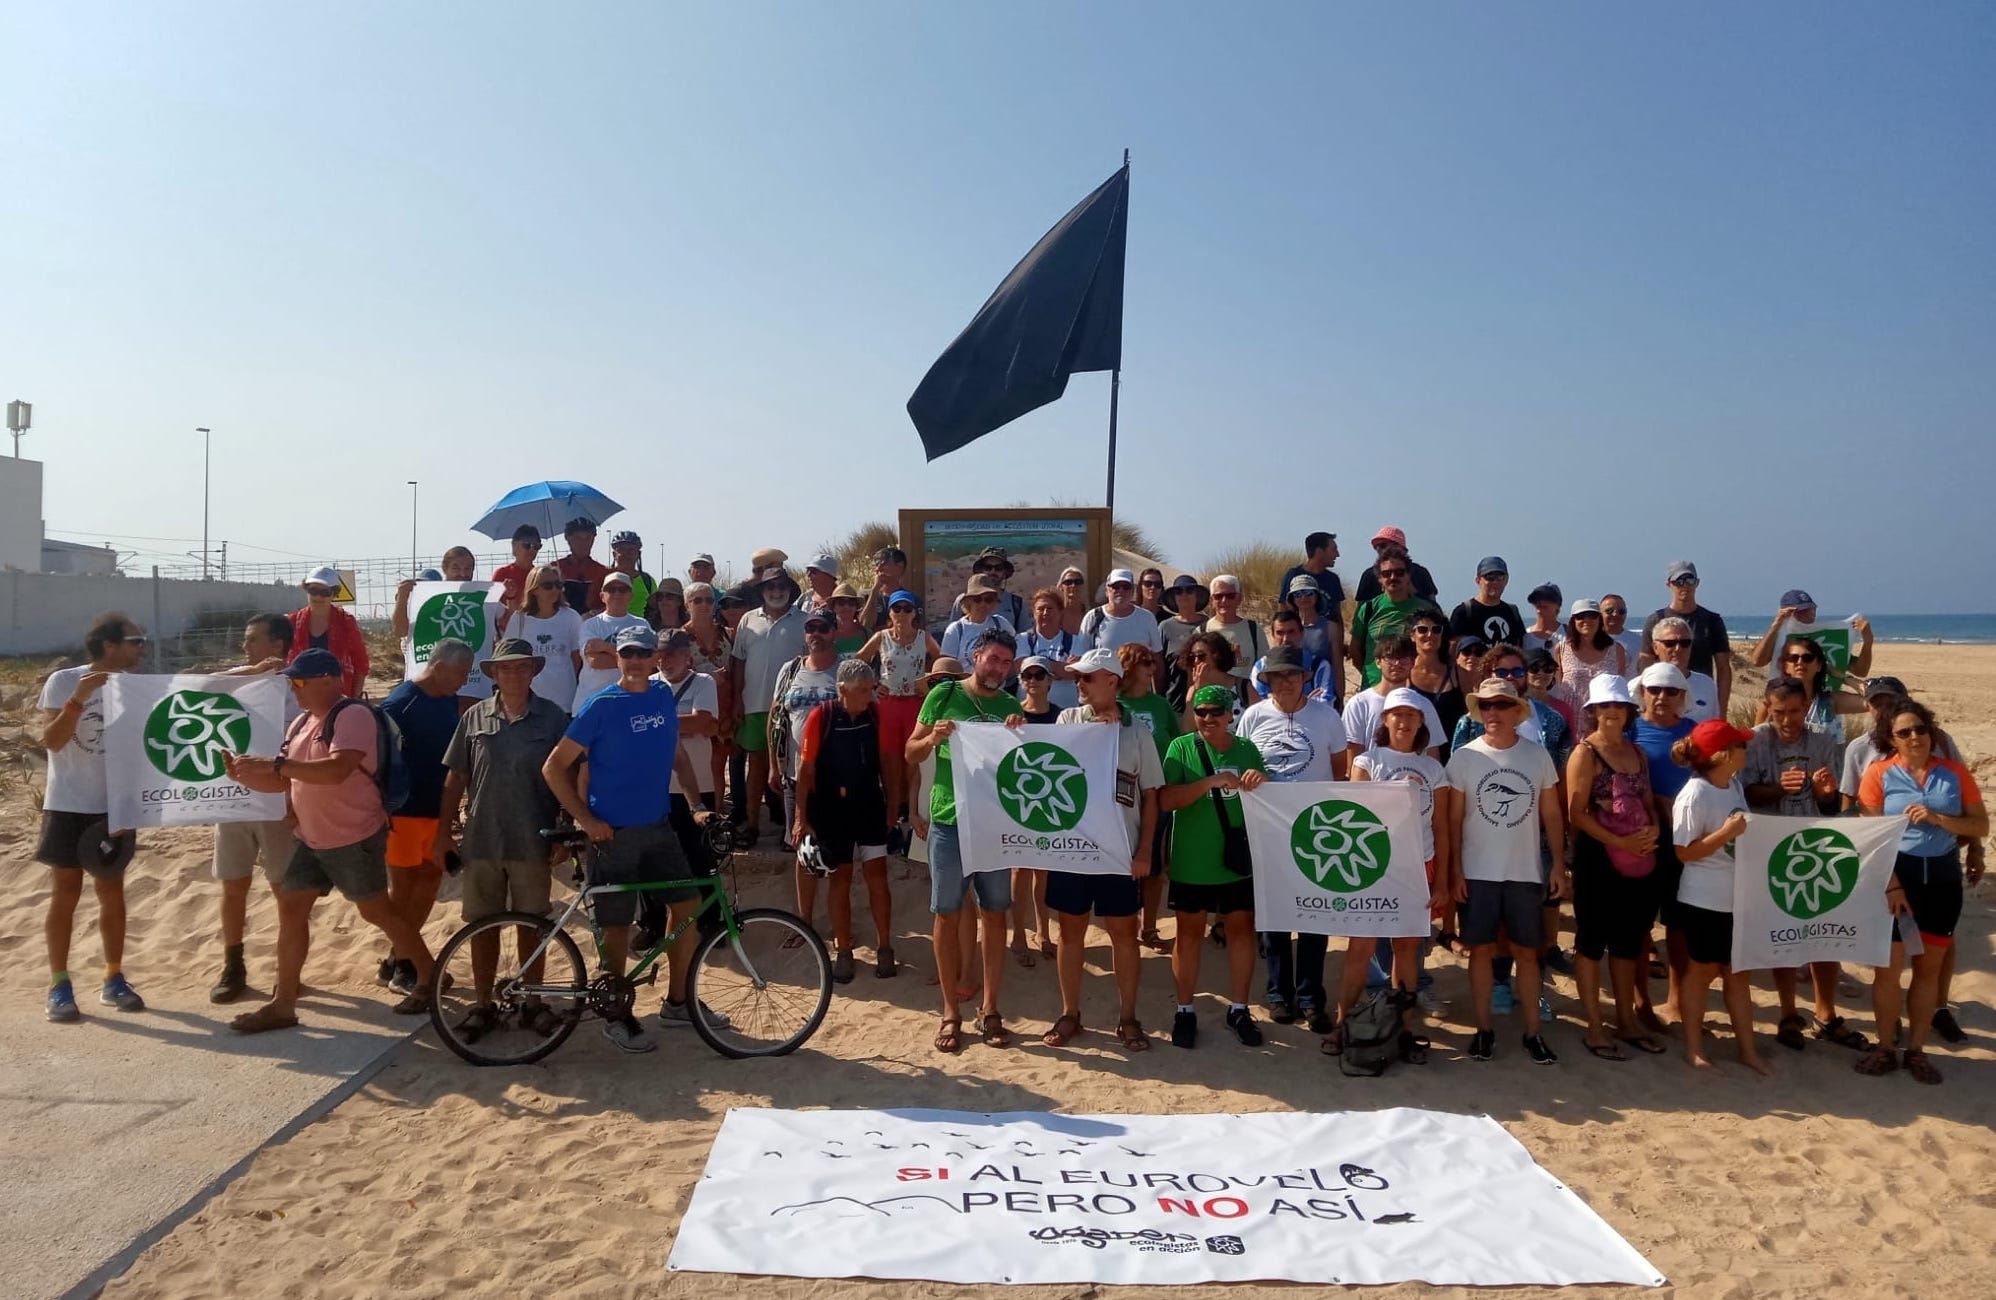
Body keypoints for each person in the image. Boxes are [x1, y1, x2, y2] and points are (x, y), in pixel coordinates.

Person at [221, 649, 439, 1032]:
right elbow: (284, 780)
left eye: (298, 681)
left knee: (377, 912)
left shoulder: (352, 715)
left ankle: (431, 975)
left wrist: (275, 766)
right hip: (312, 838)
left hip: (353, 836)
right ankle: (283, 1004)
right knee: (292, 910)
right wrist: (245, 775)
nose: (293, 689)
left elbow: (337, 770)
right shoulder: (302, 722)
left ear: (328, 679)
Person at [541, 626, 710, 1052]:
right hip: (612, 836)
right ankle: (615, 1014)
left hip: (659, 828)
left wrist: (696, 804)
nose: (635, 661)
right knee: (615, 928)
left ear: (655, 658)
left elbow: (677, 754)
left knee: (687, 906)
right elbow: (553, 767)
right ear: (617, 657)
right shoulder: (601, 706)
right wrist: (585, 819)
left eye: (643, 653)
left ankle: (678, 1002)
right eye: (628, 653)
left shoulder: (662, 696)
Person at [433, 639, 569, 1039]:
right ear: (494, 673)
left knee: (533, 924)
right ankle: (482, 1004)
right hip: (482, 841)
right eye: (506, 668)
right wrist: (442, 832)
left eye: (522, 667)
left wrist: (564, 831)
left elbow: (568, 774)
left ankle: (533, 1002)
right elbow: (456, 776)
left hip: (533, 838)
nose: (514, 674)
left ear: (534, 671)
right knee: (482, 925)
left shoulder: (552, 717)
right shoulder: (474, 716)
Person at [905, 629, 1027, 1052]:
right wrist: (932, 738)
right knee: (946, 913)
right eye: (993, 659)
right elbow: (911, 752)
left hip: (993, 825)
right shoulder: (943, 695)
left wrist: (1020, 733)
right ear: (976, 657)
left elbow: (1020, 767)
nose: (999, 668)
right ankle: (950, 1010)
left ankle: (990, 1008)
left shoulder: (1011, 706)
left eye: (1006, 663)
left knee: (994, 913)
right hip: (948, 820)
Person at [1855, 699, 1987, 1085]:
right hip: (1896, 882)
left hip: (1942, 882)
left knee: (1928, 973)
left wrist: (1939, 819)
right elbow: (1870, 840)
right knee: (1888, 973)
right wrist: (1893, 884)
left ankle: (1916, 1050)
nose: (1915, 737)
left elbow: (1980, 826)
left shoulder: (1954, 774)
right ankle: (1884, 1047)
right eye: (1904, 732)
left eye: (1921, 729)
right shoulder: (1878, 775)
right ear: (1891, 739)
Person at [1042, 649, 1164, 1051]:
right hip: (1073, 848)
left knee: (1124, 934)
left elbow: (1152, 796)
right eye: (1077, 677)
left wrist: (1144, 851)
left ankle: (1128, 1017)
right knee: (1070, 931)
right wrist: (1095, 733)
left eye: (1087, 677)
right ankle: (1069, 1013)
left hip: (1119, 850)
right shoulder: (1067, 719)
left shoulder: (1137, 731)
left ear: (1111, 681)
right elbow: (1055, 764)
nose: (1079, 684)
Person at [1447, 678, 1568, 1064]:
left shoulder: (1537, 756)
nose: (1493, 712)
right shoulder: (1464, 757)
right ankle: (1484, 1031)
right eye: (1486, 706)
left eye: (1501, 704)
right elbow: (1453, 821)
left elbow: (1552, 814)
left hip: (1525, 871)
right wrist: (1455, 871)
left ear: (1517, 712)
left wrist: (1558, 864)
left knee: (1528, 954)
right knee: (1480, 952)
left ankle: (1533, 1033)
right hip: (1477, 871)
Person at [1744, 674, 1867, 1053]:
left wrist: (1826, 793)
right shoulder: (1754, 741)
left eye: (1795, 711)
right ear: (1767, 707)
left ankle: (1825, 1013)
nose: (1787, 720)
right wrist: (1779, 788)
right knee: (1783, 933)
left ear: (1807, 708)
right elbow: (1746, 794)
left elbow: (1834, 805)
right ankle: (1787, 1013)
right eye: (1779, 712)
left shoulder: (1824, 741)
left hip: (1818, 846)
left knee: (1823, 933)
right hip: (1774, 848)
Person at [37, 612, 150, 1022]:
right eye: (136, 641)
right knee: (65, 893)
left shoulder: (134, 686)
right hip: (68, 803)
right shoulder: (64, 680)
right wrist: (80, 698)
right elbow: (52, 741)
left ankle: (113, 978)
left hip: (112, 806)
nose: (143, 648)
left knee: (111, 890)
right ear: (109, 645)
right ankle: (59, 985)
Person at [1239, 645, 1349, 1032]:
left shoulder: (1327, 716)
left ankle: (1310, 997)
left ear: (1304, 677)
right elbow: (1243, 765)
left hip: (1316, 829)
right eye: (1277, 676)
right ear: (1266, 680)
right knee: (1275, 915)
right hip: (1268, 828)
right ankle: (1278, 993)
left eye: (1292, 674)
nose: (1285, 682)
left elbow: (1338, 769)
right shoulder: (1253, 716)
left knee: (1315, 913)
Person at [1161, 684, 1270, 1048]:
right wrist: (1210, 782)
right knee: (1188, 935)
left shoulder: (1247, 749)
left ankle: (1239, 1008)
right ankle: (1184, 1009)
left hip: (1236, 859)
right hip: (1192, 860)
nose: (1207, 718)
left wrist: (1261, 781)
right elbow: (1166, 799)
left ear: (1229, 715)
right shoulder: (1181, 748)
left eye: (1214, 712)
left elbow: (1266, 798)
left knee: (1241, 932)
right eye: (1200, 711)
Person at [1348, 687, 1455, 1058]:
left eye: (1412, 715)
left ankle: (1403, 1029)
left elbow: (1441, 827)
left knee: (1407, 949)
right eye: (1398, 714)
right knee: (1361, 947)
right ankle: (1344, 1024)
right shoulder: (1367, 761)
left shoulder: (1434, 769)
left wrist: (1442, 880)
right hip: (1376, 865)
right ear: (1385, 719)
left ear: (1422, 722)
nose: (1405, 722)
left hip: (1419, 864)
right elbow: (1355, 818)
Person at [1564, 676, 1665, 1059]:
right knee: (1591, 942)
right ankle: (1594, 1027)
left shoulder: (1637, 753)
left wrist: (1653, 828)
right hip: (1597, 858)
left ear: (1628, 710)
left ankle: (1626, 1020)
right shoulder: (1585, 753)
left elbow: (1648, 801)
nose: (1612, 711)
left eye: (1618, 705)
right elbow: (1576, 813)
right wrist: (1620, 842)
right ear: (1593, 710)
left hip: (1638, 857)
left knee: (1628, 941)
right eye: (1605, 705)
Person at [1668, 718, 1772, 1074]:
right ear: (1724, 754)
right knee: (1702, 972)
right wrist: (1725, 834)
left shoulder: (1734, 785)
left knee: (1737, 974)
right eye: (1740, 746)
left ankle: (1748, 1051)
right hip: (1704, 899)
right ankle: (1694, 1048)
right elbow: (1684, 852)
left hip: (1736, 895)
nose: (1746, 750)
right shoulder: (1694, 794)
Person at [208, 614, 300, 1003]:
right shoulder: (238, 679)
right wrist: (254, 671)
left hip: (277, 802)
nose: (244, 646)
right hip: (232, 800)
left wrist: (296, 803)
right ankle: (233, 966)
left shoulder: (296, 686)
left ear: (277, 644)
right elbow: (204, 686)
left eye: (252, 640)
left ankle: (288, 971)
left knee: (285, 891)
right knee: (233, 886)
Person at [791, 658, 897, 982]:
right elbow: (805, 769)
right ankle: (844, 951)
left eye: (870, 688)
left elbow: (888, 762)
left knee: (877, 876)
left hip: (869, 806)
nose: (869, 695)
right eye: (862, 690)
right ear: (842, 689)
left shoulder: (875, 715)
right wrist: (800, 816)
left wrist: (893, 807)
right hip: (832, 810)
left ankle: (885, 948)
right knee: (840, 878)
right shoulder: (821, 716)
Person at [377, 638, 473, 994]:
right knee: (402, 890)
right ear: (439, 667)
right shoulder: (399, 704)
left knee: (430, 882)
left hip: (438, 811)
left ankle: (397, 959)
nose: (464, 680)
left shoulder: (447, 700)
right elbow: (378, 763)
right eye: (461, 673)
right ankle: (406, 966)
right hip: (403, 813)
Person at [1631, 661, 1697, 1029]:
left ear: (1682, 696)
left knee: (1679, 925)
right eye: (1654, 689)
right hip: (1640, 839)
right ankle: (1641, 1000)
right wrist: (1658, 804)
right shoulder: (1629, 731)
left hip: (1684, 842)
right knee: (1640, 924)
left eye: (1671, 690)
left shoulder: (1696, 733)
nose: (1661, 697)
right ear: (1642, 692)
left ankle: (1676, 1001)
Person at [730, 565, 806, 845]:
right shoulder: (748, 619)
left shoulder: (804, 620)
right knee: (757, 767)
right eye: (771, 587)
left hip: (792, 708)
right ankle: (752, 826)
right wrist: (737, 698)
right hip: (754, 705)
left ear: (790, 591)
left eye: (782, 587)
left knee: (791, 770)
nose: (776, 592)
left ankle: (790, 830)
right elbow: (738, 661)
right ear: (762, 591)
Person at [1118, 642, 1181, 953]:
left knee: (1153, 864)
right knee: (1125, 863)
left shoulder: (1160, 705)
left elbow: (1176, 742)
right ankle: (1126, 926)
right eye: (1144, 662)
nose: (1151, 667)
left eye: (1152, 662)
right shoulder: (1114, 704)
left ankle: (1150, 927)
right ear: (1128, 668)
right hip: (1122, 798)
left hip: (1158, 794)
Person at [857, 589, 937, 828]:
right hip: (888, 704)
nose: (902, 613)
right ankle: (892, 817)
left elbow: (943, 661)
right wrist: (873, 684)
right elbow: (858, 661)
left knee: (914, 759)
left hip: (915, 704)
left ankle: (913, 812)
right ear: (890, 613)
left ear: (914, 613)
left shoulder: (924, 637)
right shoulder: (881, 637)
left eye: (907, 608)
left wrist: (930, 681)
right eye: (897, 608)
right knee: (890, 759)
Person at [770, 608, 846, 855]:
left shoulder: (846, 670)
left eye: (822, 628)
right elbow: (775, 718)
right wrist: (774, 766)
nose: (816, 634)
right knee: (801, 849)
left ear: (834, 632)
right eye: (810, 628)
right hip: (794, 775)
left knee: (835, 850)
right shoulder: (789, 669)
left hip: (834, 776)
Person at [1640, 561, 1731, 712]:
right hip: (1664, 697)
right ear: (1669, 584)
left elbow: (1723, 668)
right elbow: (1645, 662)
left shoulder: (1712, 621)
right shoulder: (1655, 620)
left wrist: (1721, 709)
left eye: (1689, 580)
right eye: (1679, 581)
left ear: (1697, 583)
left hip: (1700, 697)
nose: (1685, 586)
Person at [1348, 548, 1443, 689]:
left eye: (1399, 572)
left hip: (1415, 691)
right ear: (1380, 579)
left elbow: (1439, 650)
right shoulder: (1368, 609)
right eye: (1387, 573)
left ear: (1408, 575)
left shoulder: (1427, 609)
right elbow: (1355, 650)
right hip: (1374, 690)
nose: (1393, 577)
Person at [1343, 635, 1446, 763]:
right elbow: (1352, 755)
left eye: (1404, 658)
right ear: (1378, 662)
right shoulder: (1359, 704)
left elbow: (1432, 754)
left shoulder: (1423, 704)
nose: (1397, 663)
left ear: (1413, 662)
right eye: (1390, 658)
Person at [1748, 589, 1874, 685]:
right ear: (1786, 613)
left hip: (1823, 704)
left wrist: (1867, 642)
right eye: (1801, 610)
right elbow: (1757, 661)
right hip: (1789, 700)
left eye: (1811, 608)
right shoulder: (1781, 637)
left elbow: (1860, 671)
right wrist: (1776, 625)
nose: (1810, 613)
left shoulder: (1826, 636)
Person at [682, 581, 734, 799]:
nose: (704, 605)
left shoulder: (728, 633)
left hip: (724, 708)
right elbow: (674, 672)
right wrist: (706, 677)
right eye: (697, 600)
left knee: (718, 765)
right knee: (694, 764)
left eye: (709, 600)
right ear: (687, 604)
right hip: (694, 708)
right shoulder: (679, 637)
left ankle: (717, 811)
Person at [572, 570, 651, 712]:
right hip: (592, 704)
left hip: (629, 704)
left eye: (623, 589)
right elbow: (596, 662)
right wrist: (630, 655)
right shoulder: (590, 625)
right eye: (611, 589)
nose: (617, 594)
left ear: (631, 595)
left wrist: (605, 647)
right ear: (602, 596)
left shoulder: (642, 625)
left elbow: (645, 662)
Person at [510, 564, 585, 711]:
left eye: (558, 585)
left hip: (564, 701)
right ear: (534, 589)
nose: (555, 590)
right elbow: (511, 656)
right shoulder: (519, 619)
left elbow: (576, 658)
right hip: (529, 702)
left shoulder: (571, 617)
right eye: (548, 586)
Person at [289, 566, 369, 698]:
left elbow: (360, 663)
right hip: (301, 695)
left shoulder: (346, 621)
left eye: (325, 592)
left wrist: (355, 698)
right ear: (306, 589)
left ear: (334, 594)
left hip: (338, 695)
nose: (318, 596)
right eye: (313, 591)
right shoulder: (292, 621)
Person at [1555, 599, 1631, 736]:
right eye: (1580, 616)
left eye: (1592, 616)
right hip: (1571, 723)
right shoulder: (1561, 649)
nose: (1586, 620)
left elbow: (1618, 687)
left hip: (1603, 721)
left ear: (1600, 619)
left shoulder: (1616, 650)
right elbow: (1559, 685)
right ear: (1573, 621)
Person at [1767, 635, 1865, 736]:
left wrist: (1843, 677)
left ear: (1818, 666)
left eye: (1807, 658)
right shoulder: (1775, 702)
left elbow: (1872, 699)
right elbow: (1760, 740)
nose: (1800, 662)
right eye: (1793, 658)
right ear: (1785, 666)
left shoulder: (1830, 701)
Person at [1018, 586, 1090, 710]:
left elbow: (1077, 673)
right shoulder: (1022, 639)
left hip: (1066, 710)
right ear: (1033, 613)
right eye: (1040, 609)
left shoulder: (1075, 641)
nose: (1045, 613)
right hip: (1029, 711)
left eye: (1050, 609)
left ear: (1061, 612)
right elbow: (1018, 666)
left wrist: (1036, 666)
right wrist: (1062, 668)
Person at [1249, 607, 1337, 702]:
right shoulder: (1261, 667)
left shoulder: (1319, 666)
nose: (1285, 639)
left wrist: (1274, 700)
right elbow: (1256, 704)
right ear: (1273, 636)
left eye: (1291, 632)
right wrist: (1308, 701)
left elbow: (1325, 704)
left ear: (1301, 634)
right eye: (1280, 633)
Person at [1405, 612, 1463, 754]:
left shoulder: (1458, 673)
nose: (1430, 634)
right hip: (1414, 756)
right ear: (1412, 635)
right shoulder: (1404, 674)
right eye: (1422, 630)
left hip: (1453, 754)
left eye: (1436, 629)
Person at [1647, 616, 1721, 722]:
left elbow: (1714, 724)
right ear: (1655, 647)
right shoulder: (1641, 685)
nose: (1678, 649)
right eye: (1670, 643)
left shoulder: (1706, 684)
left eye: (1685, 643)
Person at [1285, 576, 1345, 705]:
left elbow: (1338, 664)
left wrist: (1340, 697)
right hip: (1292, 694)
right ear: (1292, 599)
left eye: (1309, 592)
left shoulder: (1331, 626)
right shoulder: (1287, 628)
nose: (1304, 597)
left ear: (1317, 596)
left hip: (1324, 694)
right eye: (1298, 594)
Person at [1449, 557, 1526, 650]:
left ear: (1506, 580)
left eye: (1500, 578)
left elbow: (1520, 647)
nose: (1495, 582)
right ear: (1478, 580)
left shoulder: (1512, 612)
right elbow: (1453, 647)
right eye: (1490, 578)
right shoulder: (1464, 612)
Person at [1083, 568, 1165, 654]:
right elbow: (1080, 654)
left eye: (1126, 587)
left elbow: (1157, 655)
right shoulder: (1093, 617)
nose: (1121, 590)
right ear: (1107, 590)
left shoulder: (1147, 618)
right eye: (1116, 586)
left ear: (1132, 591)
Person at [939, 573, 1017, 661]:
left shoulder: (1001, 624)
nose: (983, 604)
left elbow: (1017, 649)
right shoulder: (956, 629)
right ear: (968, 602)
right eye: (977, 599)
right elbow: (947, 663)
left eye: (988, 600)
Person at [1353, 525, 1439, 604]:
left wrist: (1414, 594)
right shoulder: (1369, 575)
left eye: (1383, 545)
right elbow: (1361, 609)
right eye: (1376, 547)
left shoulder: (1421, 573)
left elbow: (1433, 606)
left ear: (1399, 547)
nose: (1379, 549)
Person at [1201, 574, 1261, 685]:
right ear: (1211, 600)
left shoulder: (1254, 630)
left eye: (1230, 596)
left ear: (1239, 599)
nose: (1224, 601)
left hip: (1246, 693)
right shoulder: (1202, 631)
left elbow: (1263, 668)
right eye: (1218, 596)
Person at [1156, 575, 1210, 695]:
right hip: (1173, 698)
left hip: (1205, 697)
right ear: (1174, 598)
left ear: (1197, 595)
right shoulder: (1165, 627)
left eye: (1189, 590)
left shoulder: (1209, 625)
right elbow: (1158, 666)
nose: (1184, 595)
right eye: (1178, 591)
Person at [1175, 630, 1240, 726]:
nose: (1196, 661)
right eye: (1192, 657)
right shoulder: (1193, 690)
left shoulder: (1242, 685)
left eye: (1201, 656)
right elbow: (1188, 728)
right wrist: (1198, 691)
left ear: (1217, 655)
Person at [1279, 531, 1347, 614]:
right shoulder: (1294, 575)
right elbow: (1283, 609)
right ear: (1319, 552)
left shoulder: (1333, 579)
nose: (1337, 554)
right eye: (1333, 549)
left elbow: (1337, 614)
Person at [555, 516, 612, 614]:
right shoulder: (555, 569)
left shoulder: (602, 572)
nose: (583, 543)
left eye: (588, 538)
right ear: (567, 538)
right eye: (577, 538)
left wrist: (592, 614)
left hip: (593, 621)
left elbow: (611, 605)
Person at [860, 545, 917, 630]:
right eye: (876, 565)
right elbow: (865, 625)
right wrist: (874, 591)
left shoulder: (911, 600)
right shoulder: (867, 596)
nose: (878, 568)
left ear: (899, 568)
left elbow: (913, 629)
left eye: (883, 564)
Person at [607, 530, 656, 620]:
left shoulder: (648, 581)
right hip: (609, 627)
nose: (626, 554)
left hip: (640, 627)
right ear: (614, 554)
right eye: (621, 550)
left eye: (631, 550)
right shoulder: (604, 578)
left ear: (638, 554)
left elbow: (656, 609)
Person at [492, 524, 543, 610]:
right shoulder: (502, 574)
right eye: (527, 545)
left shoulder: (540, 576)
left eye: (536, 546)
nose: (532, 550)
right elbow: (492, 607)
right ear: (514, 546)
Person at [1526, 649, 1577, 734]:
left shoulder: (1564, 709)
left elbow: (1571, 740)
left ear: (1553, 673)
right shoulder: (1516, 706)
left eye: (1547, 668)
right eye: (1534, 668)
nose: (1541, 673)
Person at [1600, 594, 1644, 668]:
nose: (1615, 614)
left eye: (1621, 611)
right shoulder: (1590, 641)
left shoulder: (1639, 642)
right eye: (1609, 611)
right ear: (1600, 613)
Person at [1522, 584, 1564, 656]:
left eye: (1548, 598)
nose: (1541, 601)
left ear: (1558, 605)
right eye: (1537, 598)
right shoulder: (1525, 637)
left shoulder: (1569, 635)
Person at [1015, 655, 1060, 723]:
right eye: (1027, 675)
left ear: (1049, 680)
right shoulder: (1012, 711)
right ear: (1021, 680)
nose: (1032, 680)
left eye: (1039, 675)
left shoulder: (1060, 716)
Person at [827, 582, 868, 655]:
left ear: (856, 607)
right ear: (833, 607)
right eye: (841, 603)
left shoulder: (866, 634)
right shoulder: (826, 634)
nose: (846, 607)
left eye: (851, 603)